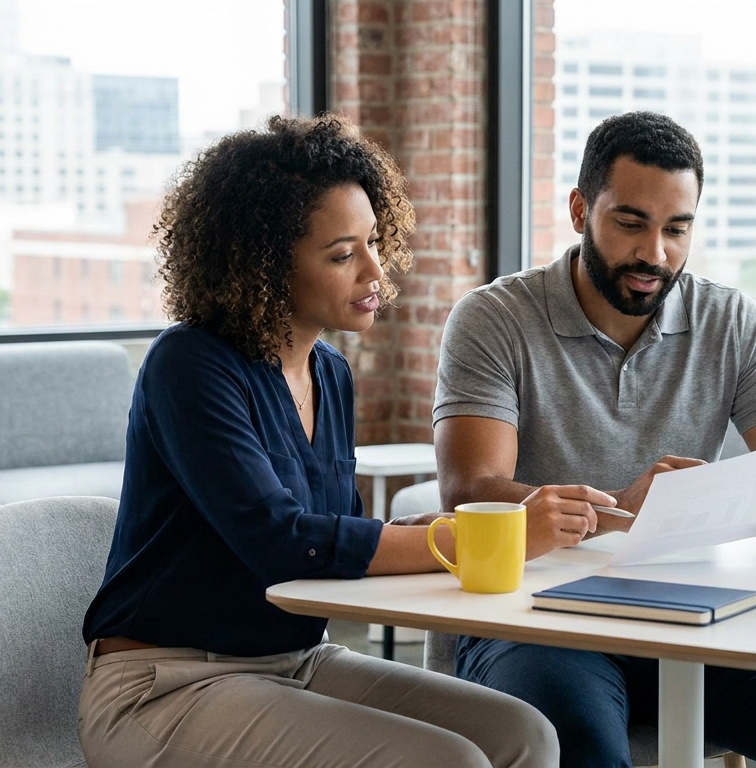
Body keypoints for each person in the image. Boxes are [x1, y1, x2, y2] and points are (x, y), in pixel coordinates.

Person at [78, 114, 560, 768]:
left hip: (296, 662)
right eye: (342, 254)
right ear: (265, 266)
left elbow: (331, 530)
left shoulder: (329, 371)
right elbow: (282, 542)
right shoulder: (189, 365)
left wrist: (448, 528)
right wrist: (466, 542)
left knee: (525, 736)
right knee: (450, 762)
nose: (374, 270)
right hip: (167, 687)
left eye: (372, 241)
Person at [433, 110, 756, 768]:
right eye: (630, 223)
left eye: (678, 228)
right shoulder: (495, 318)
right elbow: (470, 492)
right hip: (537, 619)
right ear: (580, 209)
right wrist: (619, 507)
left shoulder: (730, 320)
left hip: (688, 607)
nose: (655, 253)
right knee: (580, 745)